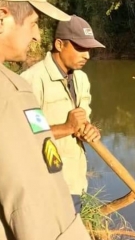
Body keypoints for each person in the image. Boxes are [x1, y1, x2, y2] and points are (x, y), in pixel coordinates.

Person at [0, 0, 93, 240]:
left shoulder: (81, 80)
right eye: (33, 23)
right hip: (44, 213)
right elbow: (25, 187)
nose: (37, 36)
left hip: (72, 182)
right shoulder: (19, 87)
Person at [21, 15, 105, 213]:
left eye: (89, 50)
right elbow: (26, 134)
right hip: (46, 185)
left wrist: (90, 130)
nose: (86, 55)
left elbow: (84, 120)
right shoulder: (32, 81)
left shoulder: (81, 79)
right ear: (59, 44)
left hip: (75, 180)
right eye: (80, 48)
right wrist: (67, 127)